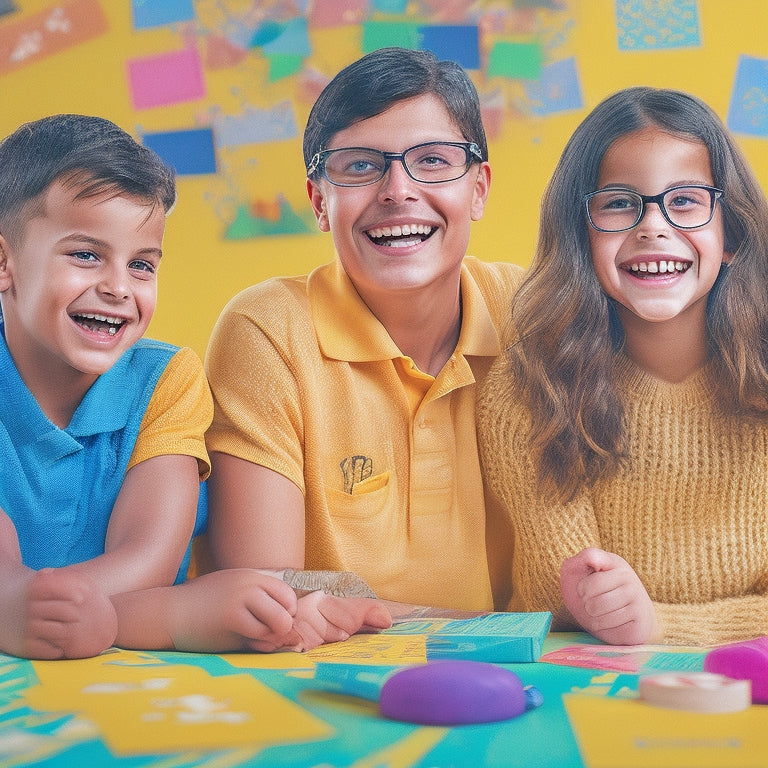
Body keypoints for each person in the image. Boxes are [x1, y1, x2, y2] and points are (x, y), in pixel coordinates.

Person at [0, 114, 389, 659]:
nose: (117, 287)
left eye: (141, 265)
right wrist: (15, 605)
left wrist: (58, 609)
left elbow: (148, 559)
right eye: (86, 254)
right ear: (5, 261)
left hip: (127, 630)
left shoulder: (166, 380)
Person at [203, 47, 524, 611]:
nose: (398, 190)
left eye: (432, 160)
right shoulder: (267, 330)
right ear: (319, 201)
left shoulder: (532, 315)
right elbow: (267, 596)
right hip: (317, 679)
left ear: (478, 189)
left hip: (519, 680)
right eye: (358, 165)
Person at [478, 86, 768, 646]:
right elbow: (559, 600)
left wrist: (665, 624)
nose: (653, 227)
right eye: (618, 203)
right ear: (580, 238)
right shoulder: (531, 391)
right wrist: (616, 615)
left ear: (729, 233)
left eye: (685, 201)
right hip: (583, 683)